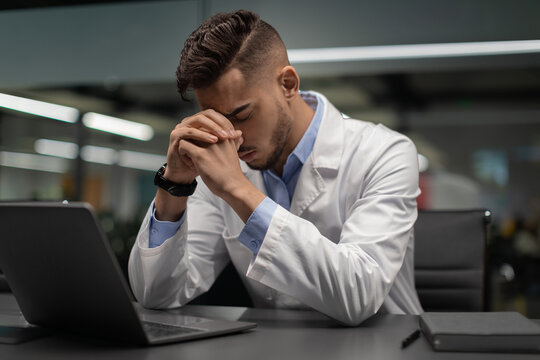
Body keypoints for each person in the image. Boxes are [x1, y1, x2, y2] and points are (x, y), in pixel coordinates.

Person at [128, 10, 423, 326]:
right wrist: (174, 185)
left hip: (387, 345)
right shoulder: (220, 171)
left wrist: (238, 190)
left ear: (288, 84)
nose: (232, 138)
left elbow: (358, 295)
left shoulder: (385, 152)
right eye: (218, 120)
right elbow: (156, 295)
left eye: (241, 115)